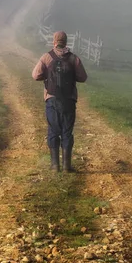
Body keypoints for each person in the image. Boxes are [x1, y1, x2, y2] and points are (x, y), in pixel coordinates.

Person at [32, 31, 88, 172]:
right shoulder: (74, 59)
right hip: (69, 100)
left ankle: (54, 165)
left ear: (54, 42)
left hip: (52, 99)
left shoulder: (47, 57)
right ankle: (67, 166)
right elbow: (83, 77)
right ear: (66, 42)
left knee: (53, 130)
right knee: (67, 132)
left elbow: (35, 75)